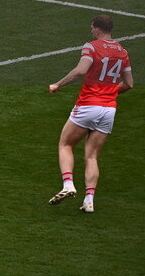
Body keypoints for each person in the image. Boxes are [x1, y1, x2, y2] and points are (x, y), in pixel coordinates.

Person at [47, 15, 133, 214]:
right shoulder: (123, 52)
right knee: (92, 156)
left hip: (88, 105)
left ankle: (68, 184)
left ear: (97, 28)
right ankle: (89, 201)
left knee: (65, 144)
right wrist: (110, 91)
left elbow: (80, 70)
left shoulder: (92, 47)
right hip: (109, 109)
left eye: (92, 28)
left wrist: (58, 84)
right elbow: (129, 84)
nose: (91, 31)